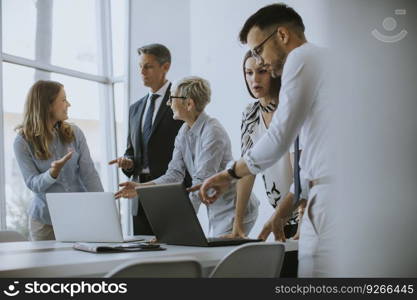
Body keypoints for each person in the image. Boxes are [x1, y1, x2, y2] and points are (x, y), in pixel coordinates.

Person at [190, 4, 331, 277]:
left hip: (327, 202)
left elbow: (279, 137)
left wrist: (229, 174)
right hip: (318, 198)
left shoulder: (301, 58)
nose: (260, 61)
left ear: (282, 35)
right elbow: (313, 152)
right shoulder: (324, 63)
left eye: (258, 50)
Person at [116, 76, 259, 236]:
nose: (168, 103)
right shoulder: (183, 131)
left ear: (189, 103)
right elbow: (174, 175)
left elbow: (200, 181)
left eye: (171, 98)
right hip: (217, 208)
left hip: (236, 208)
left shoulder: (213, 131)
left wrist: (174, 228)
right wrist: (141, 188)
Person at [109, 44, 189, 235]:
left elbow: (189, 145)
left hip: (171, 191)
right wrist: (127, 163)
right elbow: (132, 150)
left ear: (165, 67)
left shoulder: (181, 101)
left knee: (173, 250)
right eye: (140, 66)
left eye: (148, 66)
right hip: (139, 193)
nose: (142, 72)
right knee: (142, 251)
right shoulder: (135, 109)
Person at [226, 50, 306, 240]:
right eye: (249, 72)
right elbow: (247, 171)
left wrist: (304, 220)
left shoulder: (290, 110)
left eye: (261, 71)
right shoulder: (250, 114)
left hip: (307, 214)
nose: (255, 79)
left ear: (273, 72)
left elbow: (302, 172)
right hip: (281, 216)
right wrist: (237, 223)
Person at [14, 80, 103, 241]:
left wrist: (103, 208)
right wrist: (52, 173)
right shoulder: (22, 141)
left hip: (79, 217)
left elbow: (89, 174)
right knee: (45, 266)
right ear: (47, 105)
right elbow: (32, 183)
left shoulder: (75, 133)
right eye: (63, 100)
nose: (68, 104)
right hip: (45, 223)